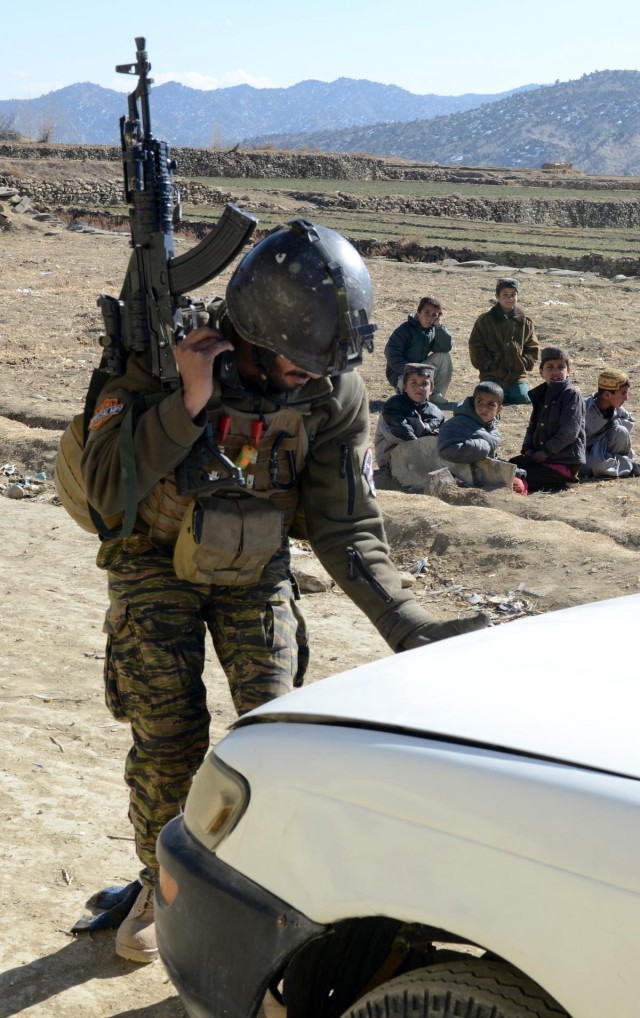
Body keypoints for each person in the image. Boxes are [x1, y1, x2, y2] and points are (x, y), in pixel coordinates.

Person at [80, 220, 489, 963]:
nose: (312, 381)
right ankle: (159, 882)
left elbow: (348, 526)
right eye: (298, 367)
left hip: (255, 562)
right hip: (153, 562)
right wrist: (190, 402)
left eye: (321, 370)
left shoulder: (332, 391)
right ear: (254, 335)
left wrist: (409, 627)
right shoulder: (159, 361)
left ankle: (260, 890)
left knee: (277, 738)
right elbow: (106, 490)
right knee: (170, 739)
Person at [510, 346, 585, 492]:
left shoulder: (571, 394)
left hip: (562, 462)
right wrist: (529, 450)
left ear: (568, 371)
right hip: (540, 458)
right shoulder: (542, 393)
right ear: (541, 372)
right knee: (508, 466)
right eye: (549, 367)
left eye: (561, 367)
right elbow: (532, 426)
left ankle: (563, 481)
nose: (555, 372)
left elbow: (569, 432)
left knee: (516, 480)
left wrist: (545, 453)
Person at [437, 382, 527, 493]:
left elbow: (491, 457)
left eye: (491, 405)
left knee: (520, 482)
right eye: (480, 402)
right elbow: (445, 450)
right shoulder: (458, 423)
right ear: (473, 401)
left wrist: (513, 470)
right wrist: (482, 446)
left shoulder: (490, 428)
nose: (484, 408)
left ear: (499, 409)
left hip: (481, 471)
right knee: (517, 487)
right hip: (458, 474)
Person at [468, 277, 539, 404]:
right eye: (505, 294)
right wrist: (487, 362)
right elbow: (475, 346)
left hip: (516, 375)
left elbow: (532, 348)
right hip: (492, 374)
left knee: (522, 399)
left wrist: (524, 362)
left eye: (513, 294)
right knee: (490, 399)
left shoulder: (525, 322)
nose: (509, 298)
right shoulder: (485, 321)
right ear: (497, 296)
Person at [383, 296, 453, 406]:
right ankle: (406, 393)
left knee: (444, 356)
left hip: (420, 370)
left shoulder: (433, 330)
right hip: (402, 375)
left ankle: (434, 395)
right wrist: (409, 371)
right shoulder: (405, 329)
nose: (429, 318)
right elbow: (391, 353)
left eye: (434, 315)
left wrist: (439, 326)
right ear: (418, 312)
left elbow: (445, 347)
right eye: (426, 312)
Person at [374, 362, 444, 471]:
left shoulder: (437, 413)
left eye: (424, 384)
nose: (419, 388)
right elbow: (403, 433)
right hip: (393, 461)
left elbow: (443, 438)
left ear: (431, 389)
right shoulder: (393, 406)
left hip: (424, 458)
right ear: (405, 387)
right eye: (413, 383)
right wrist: (424, 448)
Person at [581, 368, 640, 479]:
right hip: (587, 451)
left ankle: (616, 466)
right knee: (596, 465)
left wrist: (611, 424)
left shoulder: (617, 409)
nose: (626, 398)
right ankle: (630, 466)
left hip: (607, 448)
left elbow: (629, 421)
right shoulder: (583, 409)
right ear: (607, 395)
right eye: (623, 393)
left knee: (621, 431)